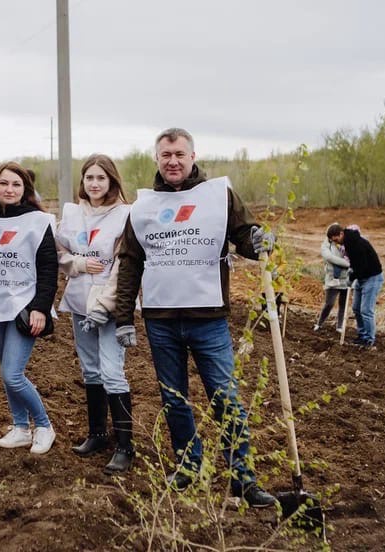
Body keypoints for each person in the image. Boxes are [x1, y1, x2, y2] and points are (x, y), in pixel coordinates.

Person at [113, 128, 276, 508]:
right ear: (157, 158)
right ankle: (188, 466)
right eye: (166, 154)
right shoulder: (144, 207)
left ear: (192, 156)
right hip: (161, 319)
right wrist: (124, 317)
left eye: (179, 154)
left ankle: (243, 479)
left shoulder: (218, 196)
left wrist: (260, 241)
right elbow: (130, 263)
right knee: (175, 400)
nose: (173, 161)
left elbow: (244, 234)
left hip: (208, 318)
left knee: (226, 398)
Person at [0, 162, 58, 455]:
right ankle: (20, 428)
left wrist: (41, 307)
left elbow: (48, 267)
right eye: (4, 183)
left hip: (23, 308)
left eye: (16, 184)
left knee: (12, 374)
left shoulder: (37, 221)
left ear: (25, 190)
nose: (9, 189)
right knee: (6, 370)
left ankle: (43, 426)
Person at [56, 154, 134, 474]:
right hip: (78, 301)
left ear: (112, 181)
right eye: (90, 178)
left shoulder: (125, 215)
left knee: (112, 371)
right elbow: (58, 250)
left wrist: (106, 305)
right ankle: (97, 434)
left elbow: (124, 265)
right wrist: (76, 263)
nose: (95, 184)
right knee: (90, 370)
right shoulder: (72, 214)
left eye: (101, 178)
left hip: (109, 306)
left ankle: (126, 446)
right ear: (83, 181)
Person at [329, 224, 383, 347]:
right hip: (361, 277)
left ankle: (369, 339)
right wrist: (351, 270)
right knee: (356, 308)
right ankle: (362, 335)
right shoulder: (348, 243)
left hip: (372, 277)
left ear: (341, 234)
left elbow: (362, 266)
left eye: (336, 240)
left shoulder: (356, 244)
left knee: (366, 310)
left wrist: (351, 277)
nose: (336, 243)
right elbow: (355, 263)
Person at [314, 223, 351, 332]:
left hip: (346, 278)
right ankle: (319, 323)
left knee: (343, 304)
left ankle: (339, 326)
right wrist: (348, 263)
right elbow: (329, 257)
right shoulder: (326, 245)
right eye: (332, 238)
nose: (335, 240)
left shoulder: (346, 242)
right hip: (333, 279)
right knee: (329, 303)